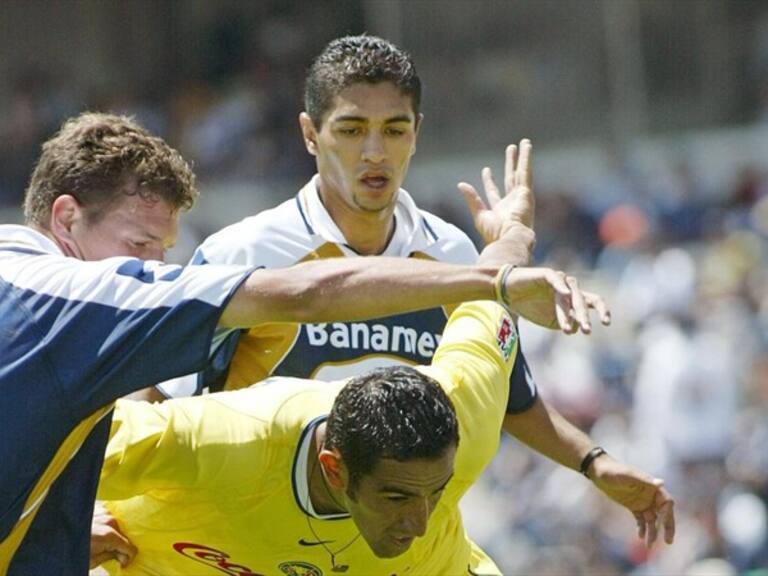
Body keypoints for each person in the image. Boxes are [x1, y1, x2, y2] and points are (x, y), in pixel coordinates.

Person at [0, 111, 584, 575]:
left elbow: (481, 338)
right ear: (66, 218)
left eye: (163, 251)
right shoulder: (73, 304)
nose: (155, 270)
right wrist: (498, 273)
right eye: (139, 245)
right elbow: (305, 294)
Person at [96, 299, 672, 576]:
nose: (420, 522)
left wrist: (510, 234)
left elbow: (491, 305)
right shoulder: (219, 442)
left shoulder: (461, 422)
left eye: (436, 493)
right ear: (334, 467)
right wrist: (66, 519)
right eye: (397, 497)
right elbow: (29, 439)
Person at [151, 34, 536, 401]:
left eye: (394, 130)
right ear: (310, 133)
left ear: (415, 132)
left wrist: (593, 462)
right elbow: (156, 404)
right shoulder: (238, 254)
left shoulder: (452, 253)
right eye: (351, 130)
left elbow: (512, 401)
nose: (375, 152)